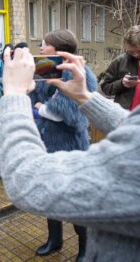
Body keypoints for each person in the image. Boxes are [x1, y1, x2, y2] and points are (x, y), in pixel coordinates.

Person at [0, 45, 140, 261]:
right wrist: (85, 96)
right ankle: (55, 240)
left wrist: (14, 95)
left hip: (69, 149)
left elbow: (26, 180)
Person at [29, 29, 97, 262]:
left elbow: (65, 114)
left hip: (71, 150)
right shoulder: (47, 68)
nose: (40, 48)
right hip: (48, 146)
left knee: (76, 203)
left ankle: (85, 249)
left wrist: (41, 108)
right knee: (50, 197)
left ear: (59, 49)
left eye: (44, 44)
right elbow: (36, 98)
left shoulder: (80, 74)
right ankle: (54, 240)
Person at [100, 25, 140, 110]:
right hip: (126, 116)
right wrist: (122, 84)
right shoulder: (119, 61)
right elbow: (105, 87)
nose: (136, 54)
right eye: (131, 51)